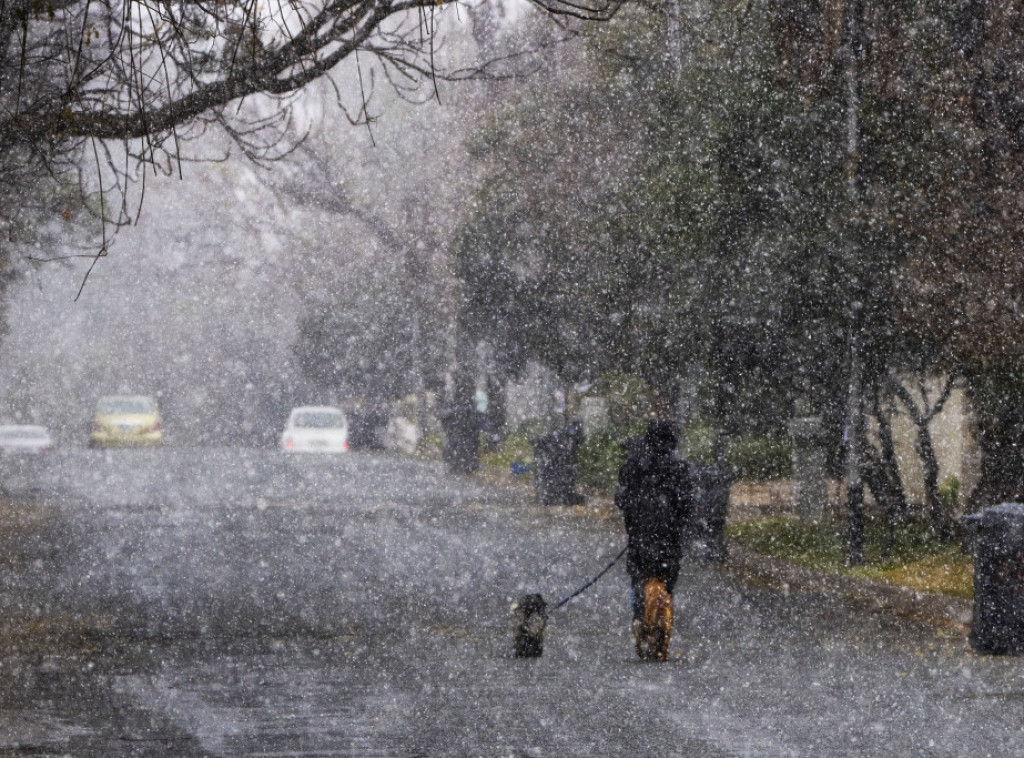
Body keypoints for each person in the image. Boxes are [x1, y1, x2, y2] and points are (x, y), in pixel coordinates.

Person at [615, 419, 693, 660]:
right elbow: (686, 506)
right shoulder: (679, 469)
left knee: (639, 578)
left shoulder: (633, 467)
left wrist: (636, 517)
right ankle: (662, 617)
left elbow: (621, 499)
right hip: (669, 538)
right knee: (666, 580)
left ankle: (640, 617)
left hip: (640, 535)